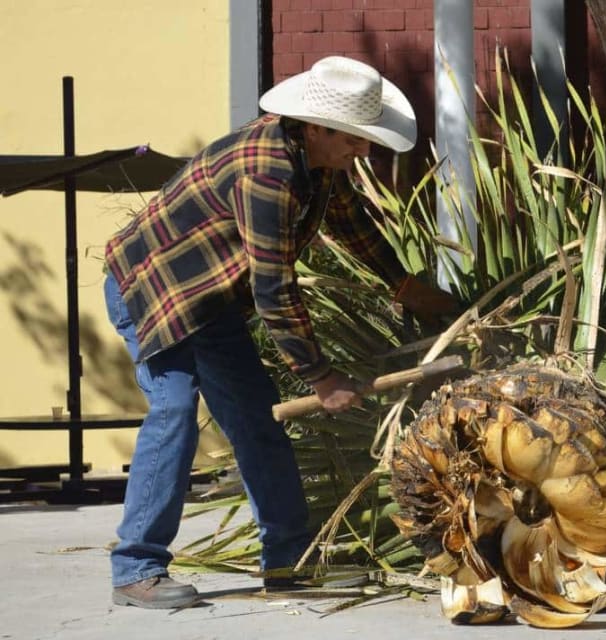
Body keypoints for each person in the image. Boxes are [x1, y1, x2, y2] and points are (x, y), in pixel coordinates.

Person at [103, 56, 456, 609]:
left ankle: (289, 564)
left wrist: (403, 285)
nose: (363, 150)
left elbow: (352, 223)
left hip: (212, 300)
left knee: (257, 420)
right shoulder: (267, 173)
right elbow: (272, 286)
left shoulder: (318, 161)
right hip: (153, 291)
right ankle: (136, 569)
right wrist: (321, 376)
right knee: (174, 408)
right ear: (316, 127)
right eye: (353, 139)